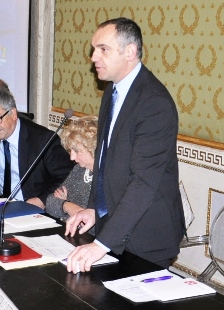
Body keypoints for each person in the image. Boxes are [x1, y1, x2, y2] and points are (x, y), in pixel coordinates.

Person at [65, 17, 185, 272]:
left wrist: (101, 244)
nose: (94, 57)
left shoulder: (154, 103)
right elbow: (105, 161)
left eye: (103, 49)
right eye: (94, 49)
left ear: (130, 52)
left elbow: (143, 183)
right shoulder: (112, 90)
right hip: (114, 226)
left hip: (145, 235)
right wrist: (95, 210)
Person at [0, 87, 74, 208]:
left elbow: (68, 177)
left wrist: (43, 199)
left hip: (30, 208)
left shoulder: (43, 140)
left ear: (13, 114)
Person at [45, 116, 98, 221]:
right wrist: (68, 206)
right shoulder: (79, 170)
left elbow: (95, 224)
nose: (72, 157)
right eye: (70, 151)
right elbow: (50, 203)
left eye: (76, 151)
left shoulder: (108, 179)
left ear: (93, 148)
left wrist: (63, 206)